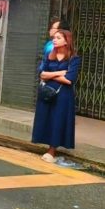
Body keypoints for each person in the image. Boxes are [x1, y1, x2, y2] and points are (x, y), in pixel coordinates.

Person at [32, 28, 81, 163]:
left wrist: (50, 75)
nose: (54, 40)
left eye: (58, 38)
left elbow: (69, 80)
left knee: (57, 120)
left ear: (66, 41)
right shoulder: (49, 55)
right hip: (47, 92)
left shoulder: (73, 59)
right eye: (54, 37)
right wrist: (59, 73)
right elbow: (42, 74)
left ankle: (52, 150)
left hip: (63, 95)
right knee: (46, 118)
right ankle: (46, 144)